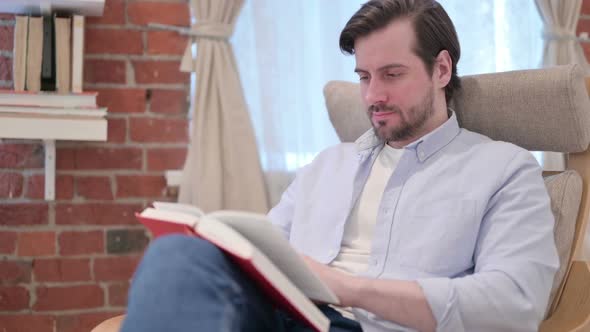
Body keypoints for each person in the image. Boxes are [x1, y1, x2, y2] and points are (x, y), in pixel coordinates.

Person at [121, 0, 558, 331]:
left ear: (441, 69)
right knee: (179, 253)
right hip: (289, 316)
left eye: (391, 74)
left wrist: (345, 287)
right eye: (364, 77)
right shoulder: (327, 165)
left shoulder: (504, 170)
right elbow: (266, 250)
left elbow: (516, 300)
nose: (372, 96)